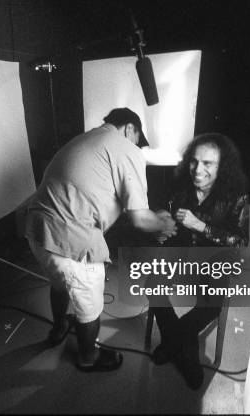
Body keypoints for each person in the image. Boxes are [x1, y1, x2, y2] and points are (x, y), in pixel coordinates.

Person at [24, 108, 177, 372]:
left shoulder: (86, 140)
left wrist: (148, 217)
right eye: (138, 139)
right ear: (131, 129)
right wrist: (164, 222)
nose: (138, 148)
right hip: (71, 242)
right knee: (90, 306)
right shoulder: (127, 148)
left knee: (60, 283)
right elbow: (141, 219)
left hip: (38, 233)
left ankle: (59, 328)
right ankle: (87, 357)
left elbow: (103, 202)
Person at [151, 133, 249, 389]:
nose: (198, 170)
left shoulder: (235, 196)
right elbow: (163, 212)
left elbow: (240, 243)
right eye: (194, 162)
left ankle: (175, 342)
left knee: (212, 304)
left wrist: (200, 225)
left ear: (222, 166)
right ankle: (183, 344)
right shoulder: (180, 186)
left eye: (208, 163)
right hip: (180, 255)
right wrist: (161, 224)